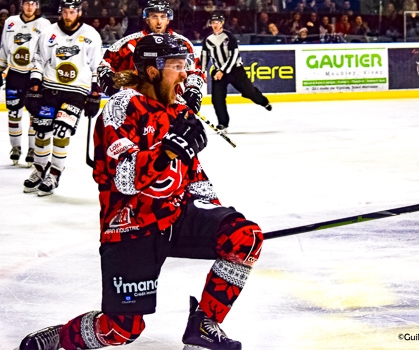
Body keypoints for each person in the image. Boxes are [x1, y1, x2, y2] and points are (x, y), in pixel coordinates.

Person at [17, 33, 264, 350]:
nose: (185, 73)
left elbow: (193, 171)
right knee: (120, 330)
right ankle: (60, 337)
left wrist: (213, 211)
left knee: (244, 236)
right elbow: (124, 179)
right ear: (152, 70)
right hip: (130, 225)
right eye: (177, 66)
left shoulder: (177, 110)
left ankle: (204, 325)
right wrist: (167, 153)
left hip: (175, 214)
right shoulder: (121, 108)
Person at [22, 0, 102, 196]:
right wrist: (34, 86)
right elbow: (39, 60)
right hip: (49, 89)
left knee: (61, 131)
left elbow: (97, 66)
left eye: (72, 12)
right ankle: (40, 169)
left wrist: (95, 93)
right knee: (41, 130)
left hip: (76, 92)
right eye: (65, 12)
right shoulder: (49, 32)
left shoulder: (91, 34)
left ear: (79, 12)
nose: (68, 16)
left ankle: (55, 173)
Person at [97, 0, 204, 115]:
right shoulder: (128, 44)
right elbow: (104, 64)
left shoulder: (183, 44)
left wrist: (193, 89)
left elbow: (195, 70)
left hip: (172, 107)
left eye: (163, 17)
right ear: (147, 18)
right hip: (137, 109)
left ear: (168, 19)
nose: (159, 21)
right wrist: (105, 75)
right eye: (154, 16)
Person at [200, 12, 271, 131]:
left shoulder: (229, 36)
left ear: (222, 23)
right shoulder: (208, 39)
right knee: (217, 99)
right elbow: (204, 56)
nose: (215, 25)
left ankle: (263, 101)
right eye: (213, 22)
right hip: (218, 72)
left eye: (217, 22)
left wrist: (223, 70)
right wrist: (202, 72)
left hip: (235, 70)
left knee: (249, 92)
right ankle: (223, 123)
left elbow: (234, 56)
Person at [0, 0, 50, 166]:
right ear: (22, 5)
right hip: (14, 74)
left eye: (33, 3)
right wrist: (1, 68)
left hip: (34, 76)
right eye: (27, 3)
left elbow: (47, 51)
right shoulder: (10, 22)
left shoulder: (44, 24)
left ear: (37, 6)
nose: (29, 7)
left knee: (34, 114)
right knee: (14, 113)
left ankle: (31, 148)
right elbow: (3, 47)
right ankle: (15, 148)